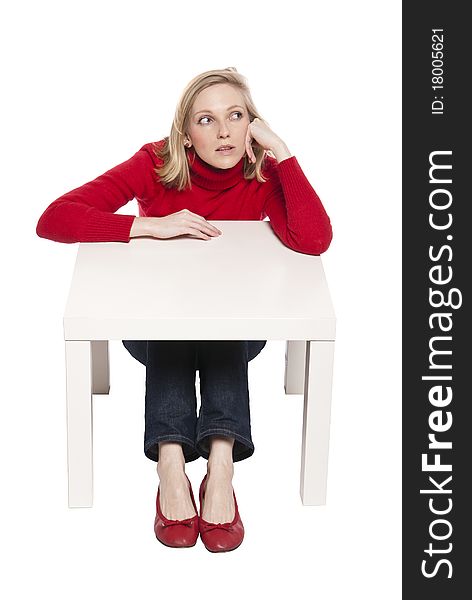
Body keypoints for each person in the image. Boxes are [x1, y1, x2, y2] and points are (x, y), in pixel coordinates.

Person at [36, 67, 333, 552]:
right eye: (206, 120)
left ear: (251, 123)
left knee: (221, 335)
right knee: (173, 332)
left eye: (236, 116)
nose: (224, 132)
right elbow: (54, 218)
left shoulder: (261, 167)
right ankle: (171, 464)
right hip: (153, 327)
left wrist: (280, 149)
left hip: (238, 327)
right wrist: (147, 227)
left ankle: (220, 465)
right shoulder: (156, 161)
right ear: (186, 134)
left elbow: (313, 237)